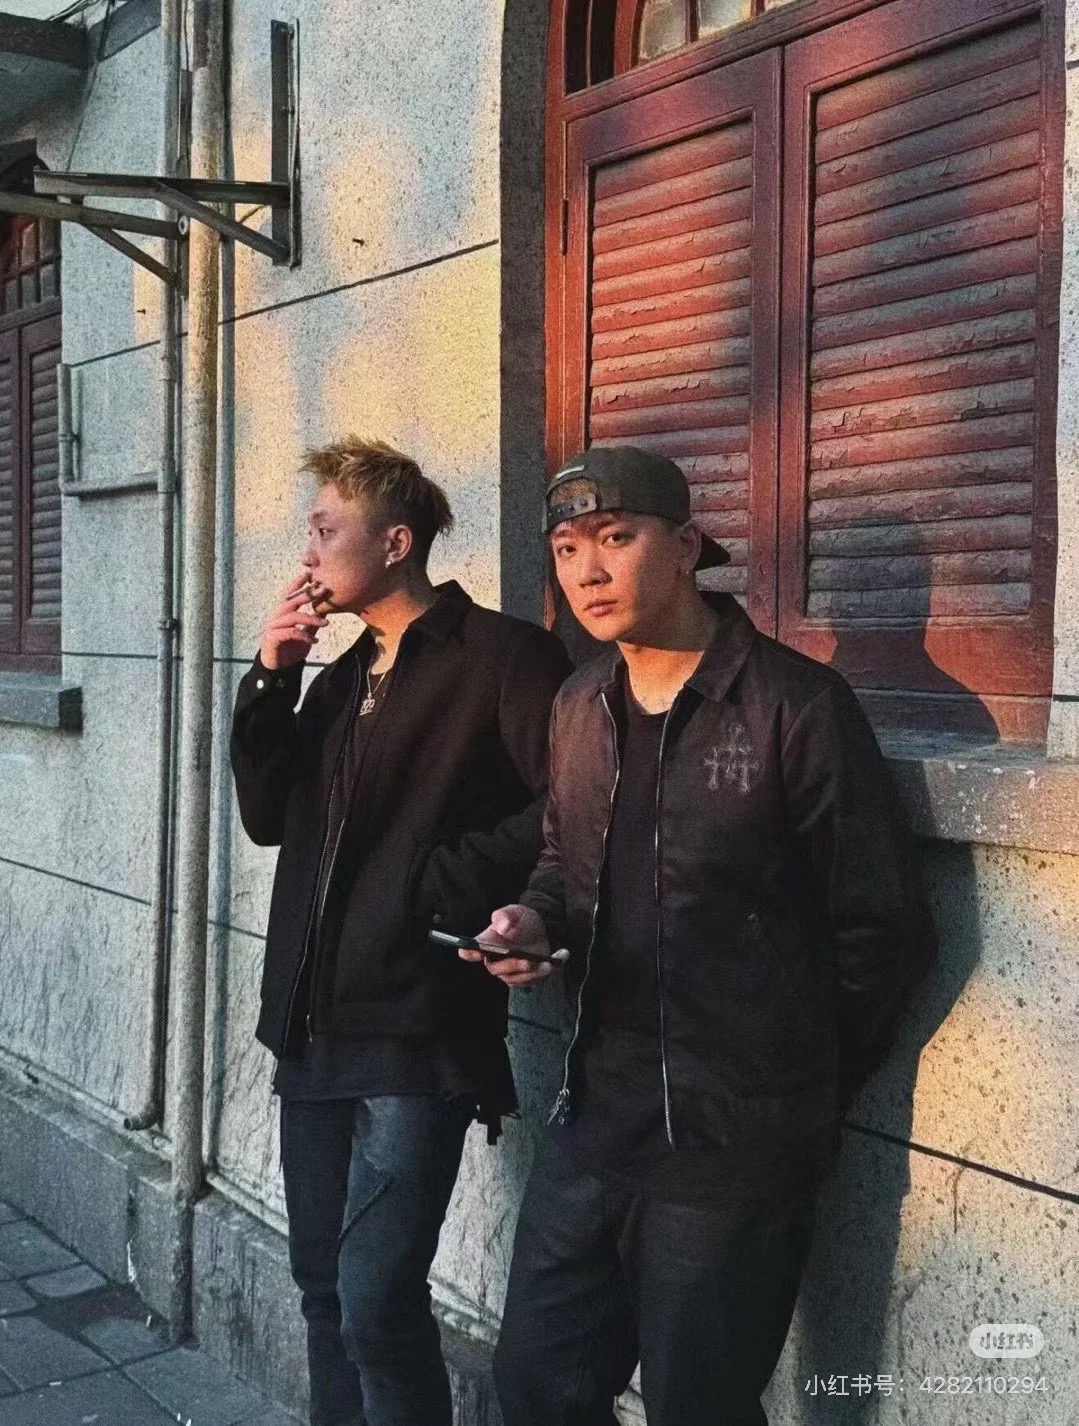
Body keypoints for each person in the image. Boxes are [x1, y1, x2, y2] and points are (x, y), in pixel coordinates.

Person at [465, 445, 937, 1426]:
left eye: (614, 537)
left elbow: (882, 932)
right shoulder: (578, 704)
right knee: (536, 1387)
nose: (587, 570)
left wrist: (789, 1082)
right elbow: (561, 858)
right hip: (594, 1126)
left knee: (699, 1408)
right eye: (565, 548)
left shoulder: (793, 708)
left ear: (684, 547)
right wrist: (531, 920)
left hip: (732, 1153)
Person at [230, 436, 571, 1426]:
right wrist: (271, 674)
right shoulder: (337, 679)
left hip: (419, 1030)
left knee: (376, 1299)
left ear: (395, 542)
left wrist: (440, 882)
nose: (307, 552)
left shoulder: (501, 656)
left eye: (324, 529)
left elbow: (571, 802)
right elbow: (266, 816)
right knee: (323, 1290)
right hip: (312, 1025)